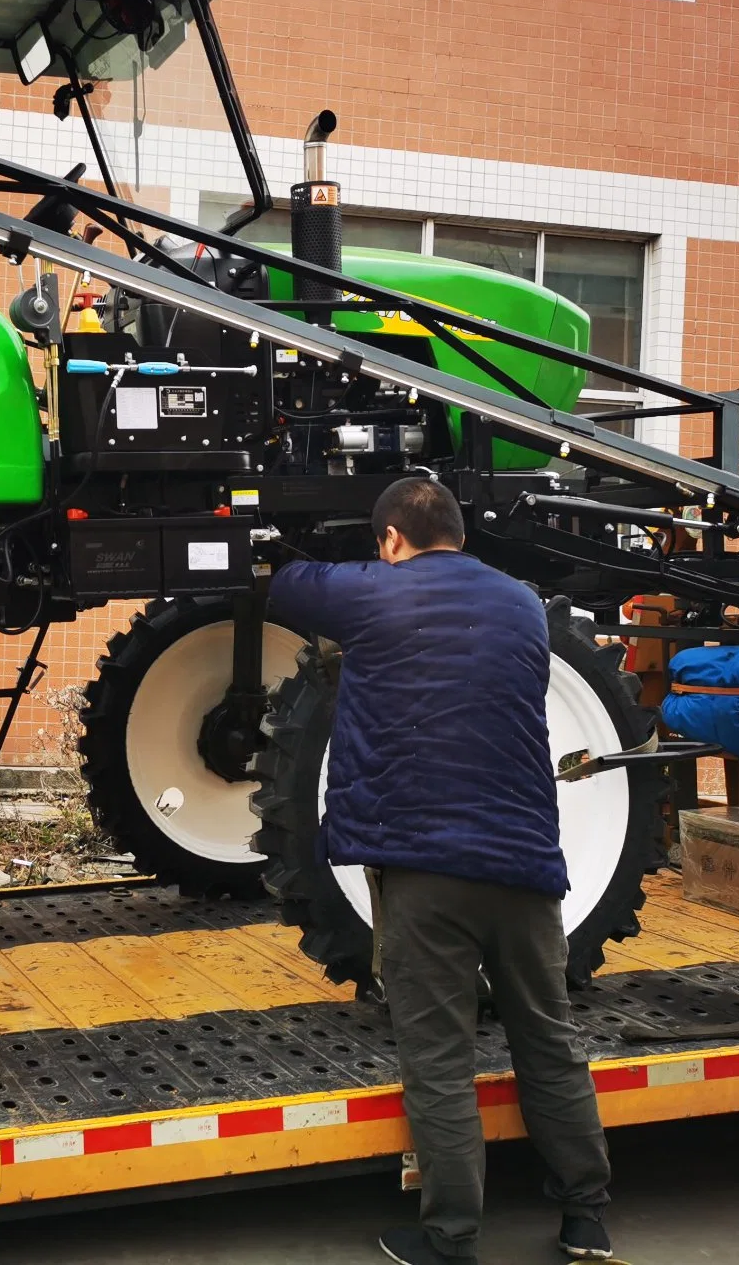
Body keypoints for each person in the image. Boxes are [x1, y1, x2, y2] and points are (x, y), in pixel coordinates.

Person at [268, 476, 613, 1265]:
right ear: (460, 536)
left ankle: (451, 1237)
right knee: (548, 1039)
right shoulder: (523, 603)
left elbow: (288, 585)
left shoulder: (369, 594)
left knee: (439, 1059)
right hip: (524, 864)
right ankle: (587, 1218)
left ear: (390, 540)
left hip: (426, 870)